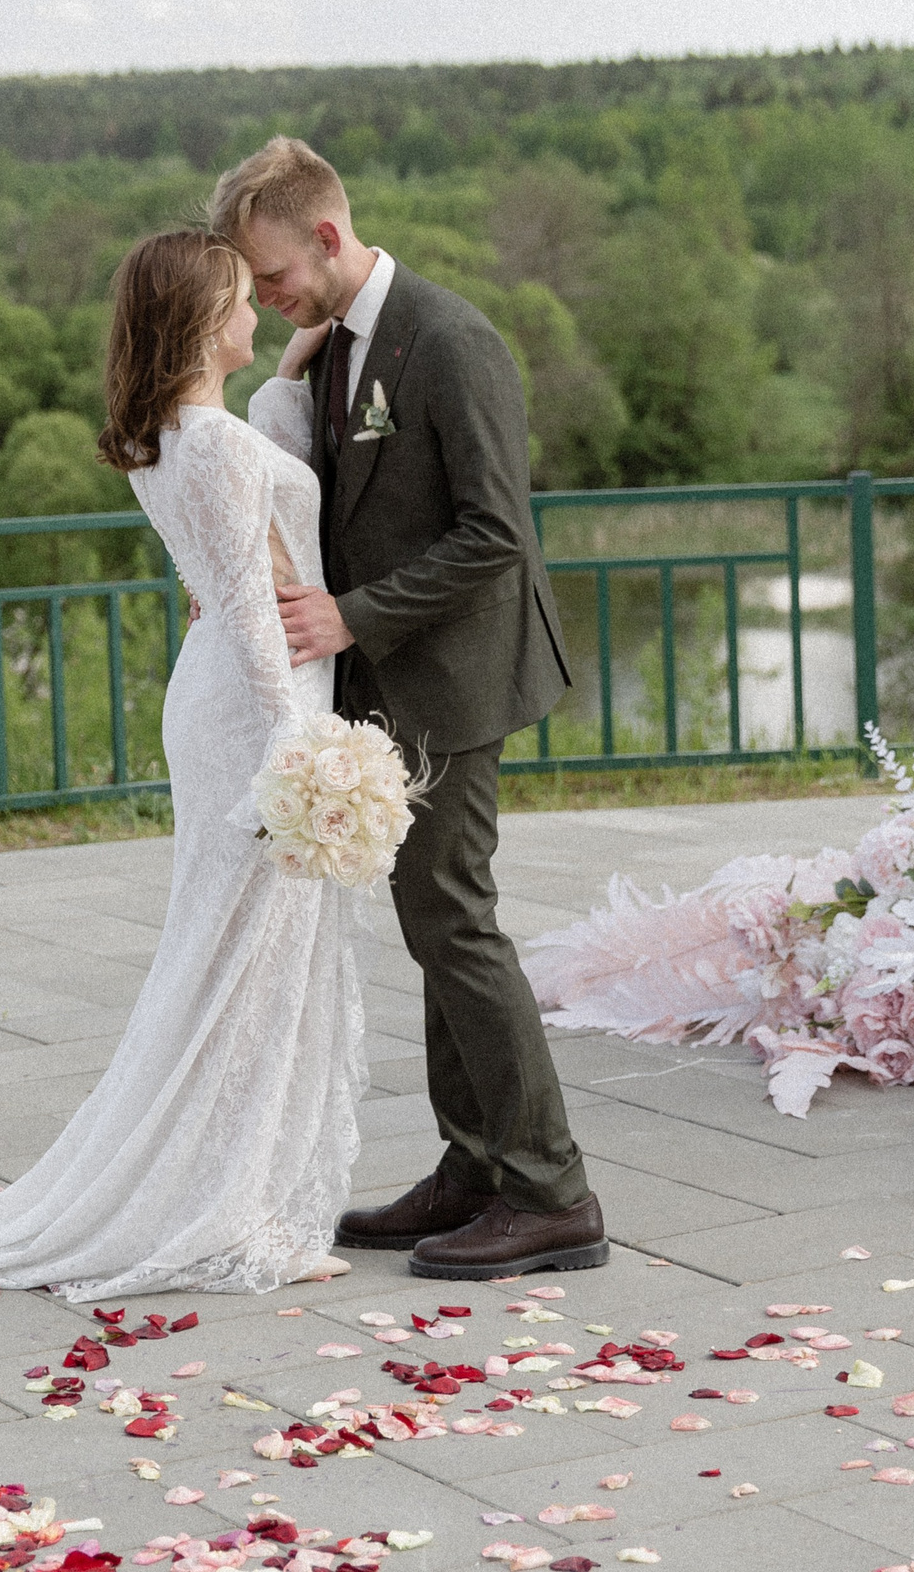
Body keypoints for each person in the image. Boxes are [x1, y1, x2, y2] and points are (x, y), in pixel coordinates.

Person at [0, 230, 363, 1299]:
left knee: (241, 961)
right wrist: (294, 741)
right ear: (202, 317)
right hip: (252, 704)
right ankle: (228, 1217)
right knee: (242, 972)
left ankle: (233, 1195)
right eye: (238, 300)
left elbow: (251, 518)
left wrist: (292, 384)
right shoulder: (206, 445)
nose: (255, 314)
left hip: (224, 689)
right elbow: (255, 606)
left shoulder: (185, 433)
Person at [216, 135, 604, 1281]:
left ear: (326, 237)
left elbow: (496, 535)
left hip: (454, 676)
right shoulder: (332, 345)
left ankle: (551, 1190)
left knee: (455, 920)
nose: (263, 294)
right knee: (431, 921)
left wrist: (352, 618)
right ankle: (472, 1166)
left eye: (271, 272)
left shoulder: (450, 340)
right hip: (392, 681)